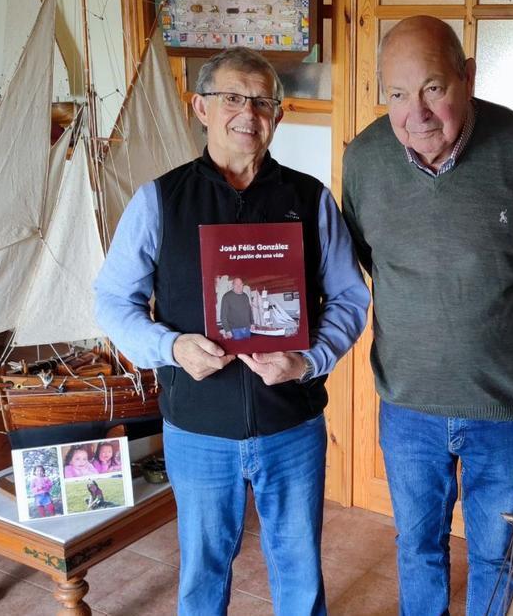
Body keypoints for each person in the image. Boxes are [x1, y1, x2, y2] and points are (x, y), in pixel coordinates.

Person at [94, 46, 370, 616]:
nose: (249, 113)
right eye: (232, 98)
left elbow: (350, 296)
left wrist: (310, 359)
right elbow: (111, 301)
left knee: (298, 568)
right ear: (200, 107)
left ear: (279, 114)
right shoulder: (158, 201)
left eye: (263, 101)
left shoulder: (309, 198)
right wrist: (168, 347)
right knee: (202, 571)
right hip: (198, 427)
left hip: (290, 423)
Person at [341, 16, 513, 615]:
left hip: (505, 403)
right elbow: (367, 259)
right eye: (396, 93)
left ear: (468, 77)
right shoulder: (365, 160)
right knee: (417, 544)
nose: (415, 112)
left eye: (433, 88)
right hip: (408, 402)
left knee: (497, 552)